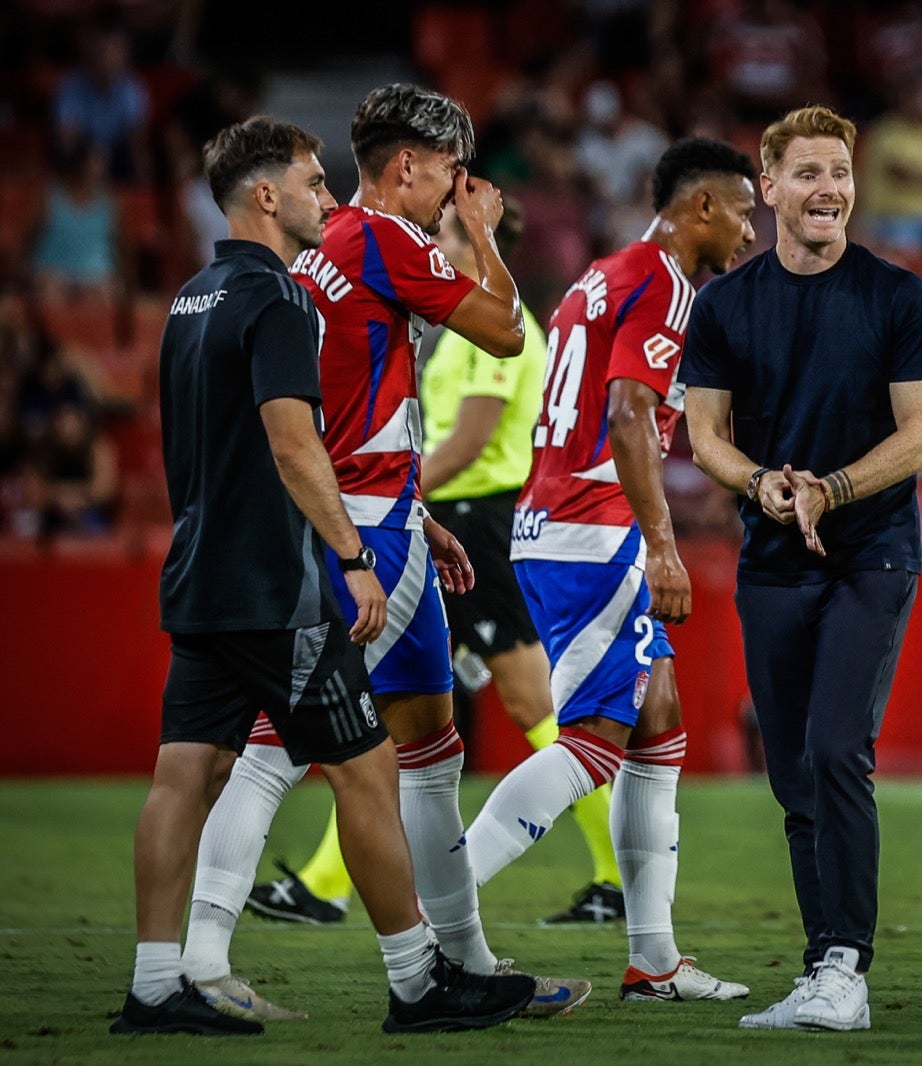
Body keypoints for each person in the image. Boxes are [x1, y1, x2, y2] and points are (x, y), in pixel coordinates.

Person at [111, 116, 534, 1036]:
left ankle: (165, 980)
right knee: (332, 761)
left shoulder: (195, 295)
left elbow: (239, 436)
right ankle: (416, 980)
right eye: (310, 182)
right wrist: (349, 552)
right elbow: (302, 436)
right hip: (308, 555)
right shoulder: (323, 271)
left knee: (204, 766)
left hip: (210, 559)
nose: (327, 193)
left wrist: (411, 509)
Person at [242, 200, 626, 928]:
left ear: (473, 245)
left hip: (478, 522)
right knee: (398, 705)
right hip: (454, 520)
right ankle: (326, 884)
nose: (429, 247)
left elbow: (472, 441)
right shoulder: (455, 329)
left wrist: (399, 495)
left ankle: (617, 875)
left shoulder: (484, 333)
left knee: (532, 705)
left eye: (442, 238)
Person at [461, 137, 758, 1002]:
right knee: (593, 743)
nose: (749, 230)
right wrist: (662, 544)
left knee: (658, 721)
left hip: (554, 518)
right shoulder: (665, 285)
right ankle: (436, 914)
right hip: (593, 528)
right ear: (701, 205)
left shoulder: (604, 273)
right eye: (742, 209)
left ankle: (654, 960)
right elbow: (630, 414)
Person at [682, 105, 922, 1033]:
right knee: (793, 772)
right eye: (808, 173)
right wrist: (762, 484)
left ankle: (849, 966)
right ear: (769, 187)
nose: (829, 188)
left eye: (839, 171)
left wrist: (829, 490)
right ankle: (820, 965)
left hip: (871, 553)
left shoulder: (898, 296)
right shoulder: (724, 303)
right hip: (772, 560)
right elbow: (703, 435)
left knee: (839, 750)